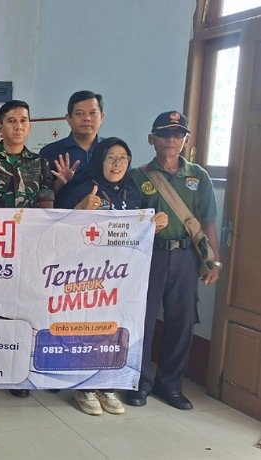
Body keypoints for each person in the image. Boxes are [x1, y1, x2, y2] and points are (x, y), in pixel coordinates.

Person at [65, 137, 168, 416]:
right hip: (87, 274)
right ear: (100, 159)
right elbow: (58, 226)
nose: (117, 164)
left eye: (123, 158)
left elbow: (139, 226)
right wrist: (80, 208)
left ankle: (107, 384)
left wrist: (156, 223)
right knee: (87, 328)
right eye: (111, 157)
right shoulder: (84, 188)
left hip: (120, 277)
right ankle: (84, 387)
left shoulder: (131, 191)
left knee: (113, 328)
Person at [126, 111, 221, 411]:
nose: (171, 139)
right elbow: (127, 220)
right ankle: (139, 383)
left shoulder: (198, 176)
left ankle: (170, 385)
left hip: (185, 258)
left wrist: (213, 261)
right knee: (142, 321)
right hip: (149, 257)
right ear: (151, 139)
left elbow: (207, 221)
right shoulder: (137, 176)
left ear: (186, 140)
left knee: (181, 323)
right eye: (164, 133)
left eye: (178, 134)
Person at [0, 99, 53, 400]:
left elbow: (47, 207)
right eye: (11, 120)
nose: (18, 126)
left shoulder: (40, 164)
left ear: (30, 126)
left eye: (23, 120)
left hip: (28, 251)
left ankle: (16, 371)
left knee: (22, 310)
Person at [39, 91, 106, 207]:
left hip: (106, 217)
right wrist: (59, 183)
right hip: (64, 217)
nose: (87, 118)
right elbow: (39, 199)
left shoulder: (111, 149)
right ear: (68, 118)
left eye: (93, 113)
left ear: (102, 117)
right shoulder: (50, 152)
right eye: (80, 114)